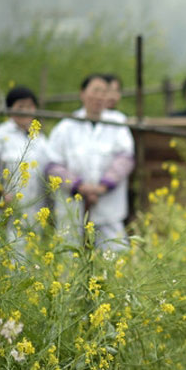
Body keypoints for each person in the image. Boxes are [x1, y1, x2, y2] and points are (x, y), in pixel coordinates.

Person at [45, 74, 134, 251]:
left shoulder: (117, 122)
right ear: (82, 94)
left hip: (108, 206)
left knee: (116, 257)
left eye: (104, 92)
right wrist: (80, 187)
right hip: (73, 207)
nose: (99, 96)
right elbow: (53, 165)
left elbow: (125, 158)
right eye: (95, 91)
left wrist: (102, 187)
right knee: (68, 260)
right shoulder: (66, 127)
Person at [0, 87, 50, 248]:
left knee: (30, 251)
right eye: (20, 107)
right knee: (2, 249)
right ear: (9, 109)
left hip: (34, 208)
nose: (26, 111)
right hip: (4, 205)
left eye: (30, 106)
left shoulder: (41, 139)